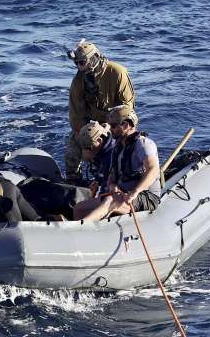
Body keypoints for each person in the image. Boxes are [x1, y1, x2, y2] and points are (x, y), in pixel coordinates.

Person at [74, 105, 161, 222]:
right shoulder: (118, 147)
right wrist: (111, 184)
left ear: (125, 125)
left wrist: (135, 192)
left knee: (110, 201)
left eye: (113, 126)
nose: (110, 129)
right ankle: (81, 229)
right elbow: (112, 173)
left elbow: (153, 169)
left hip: (145, 196)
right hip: (121, 194)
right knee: (79, 208)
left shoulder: (144, 144)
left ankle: (81, 227)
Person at [65, 39, 135, 183]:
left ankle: (112, 178)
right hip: (92, 124)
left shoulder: (117, 72)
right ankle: (73, 182)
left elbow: (127, 107)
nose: (79, 67)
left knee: (112, 157)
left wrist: (109, 127)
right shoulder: (78, 81)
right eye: (76, 63)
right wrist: (86, 136)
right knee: (73, 148)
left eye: (82, 62)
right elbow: (76, 115)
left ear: (93, 58)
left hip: (117, 122)